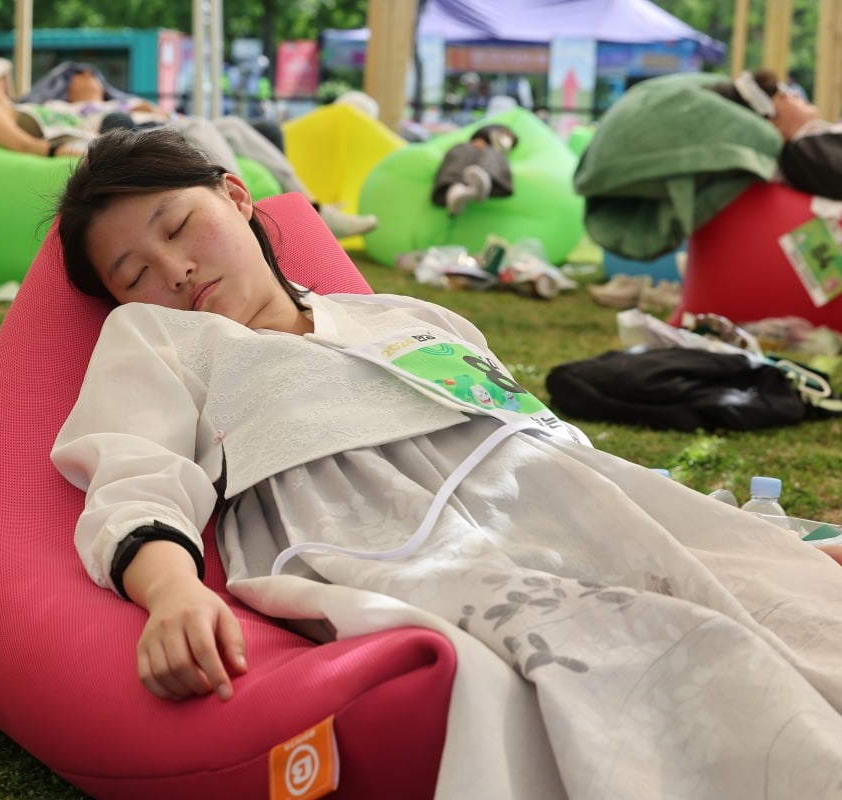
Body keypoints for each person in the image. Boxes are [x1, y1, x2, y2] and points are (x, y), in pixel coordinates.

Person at [50, 127, 842, 794]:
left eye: (178, 225)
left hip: (550, 492)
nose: (174, 270)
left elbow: (552, 444)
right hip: (388, 531)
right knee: (668, 656)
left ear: (234, 196)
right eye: (134, 275)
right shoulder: (158, 338)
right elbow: (133, 472)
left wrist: (710, 526)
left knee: (786, 605)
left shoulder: (407, 313)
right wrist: (171, 592)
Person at [24, 60, 379, 240]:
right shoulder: (61, 109)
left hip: (167, 127)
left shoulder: (131, 100)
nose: (87, 74)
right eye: (77, 73)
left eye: (92, 72)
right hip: (134, 144)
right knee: (199, 126)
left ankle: (309, 205)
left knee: (233, 124)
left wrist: (154, 112)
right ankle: (230, 203)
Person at [708, 69, 842, 201]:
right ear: (771, 123)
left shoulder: (810, 148)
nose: (795, 93)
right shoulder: (801, 155)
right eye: (784, 96)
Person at [430, 123, 517, 215]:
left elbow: (503, 148)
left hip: (490, 179)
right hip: (457, 177)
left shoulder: (497, 154)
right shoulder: (464, 147)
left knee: (491, 154)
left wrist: (495, 146)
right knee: (463, 150)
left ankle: (472, 188)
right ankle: (457, 191)